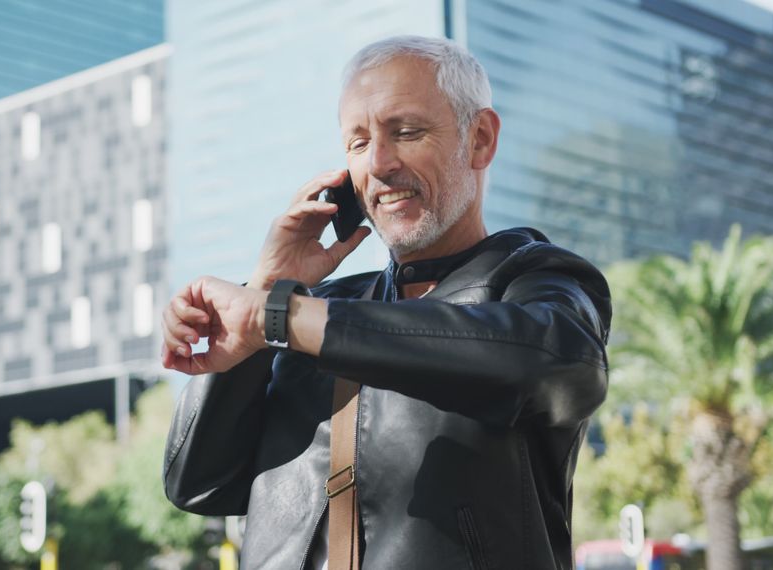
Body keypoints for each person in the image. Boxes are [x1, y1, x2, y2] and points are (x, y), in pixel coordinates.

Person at [161, 35, 611, 570]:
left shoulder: (535, 280)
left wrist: (283, 317)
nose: (378, 163)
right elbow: (198, 485)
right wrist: (268, 287)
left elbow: (557, 364)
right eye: (357, 143)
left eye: (406, 132)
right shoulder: (313, 309)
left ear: (480, 139)